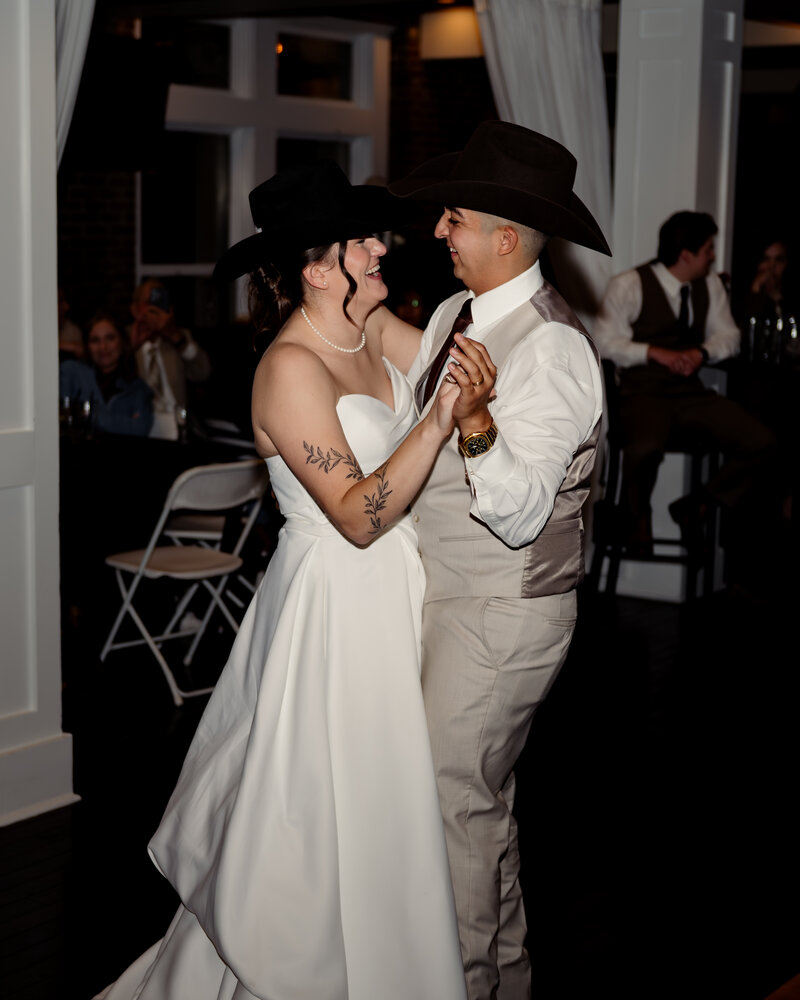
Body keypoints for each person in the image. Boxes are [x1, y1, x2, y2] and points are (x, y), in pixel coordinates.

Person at [94, 159, 478, 1000]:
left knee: (385, 818)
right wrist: (445, 415)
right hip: (334, 608)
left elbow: (467, 364)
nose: (382, 249)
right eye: (362, 242)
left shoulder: (370, 331)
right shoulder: (290, 368)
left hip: (396, 594)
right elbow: (355, 513)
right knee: (320, 820)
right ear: (316, 266)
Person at [387, 120, 610, 1000]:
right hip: (447, 600)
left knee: (454, 815)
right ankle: (506, 981)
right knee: (477, 809)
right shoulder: (452, 314)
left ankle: (468, 986)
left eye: (455, 218)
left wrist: (478, 421)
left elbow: (519, 514)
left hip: (502, 614)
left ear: (506, 237)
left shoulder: (554, 350)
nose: (439, 231)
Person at [593, 210, 776, 553]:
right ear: (686, 254)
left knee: (763, 442)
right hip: (642, 392)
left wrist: (701, 354)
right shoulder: (629, 285)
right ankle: (638, 517)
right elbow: (602, 341)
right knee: (644, 448)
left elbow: (730, 337)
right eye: (708, 249)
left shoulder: (710, 286)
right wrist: (653, 352)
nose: (713, 256)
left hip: (691, 396)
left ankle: (699, 503)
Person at [129, 279, 211, 440]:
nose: (154, 308)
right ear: (135, 309)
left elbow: (203, 372)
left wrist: (174, 336)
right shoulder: (125, 340)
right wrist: (132, 346)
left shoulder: (179, 338)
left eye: (160, 302)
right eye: (148, 302)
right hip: (141, 427)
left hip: (178, 426)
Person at [59, 311, 153, 437]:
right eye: (95, 340)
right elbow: (60, 417)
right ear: (87, 346)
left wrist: (87, 413)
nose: (103, 347)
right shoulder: (71, 373)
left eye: (110, 338)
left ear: (122, 341)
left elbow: (139, 429)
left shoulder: (137, 389)